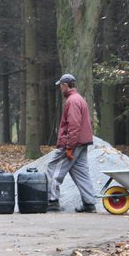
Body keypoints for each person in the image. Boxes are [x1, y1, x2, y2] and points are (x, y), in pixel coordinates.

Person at [46, 74, 96, 213]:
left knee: (54, 168)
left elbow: (74, 125)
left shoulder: (72, 101)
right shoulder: (79, 99)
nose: (60, 89)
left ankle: (52, 201)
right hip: (83, 142)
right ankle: (89, 203)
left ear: (65, 85)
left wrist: (69, 147)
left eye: (60, 86)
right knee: (81, 172)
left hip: (74, 143)